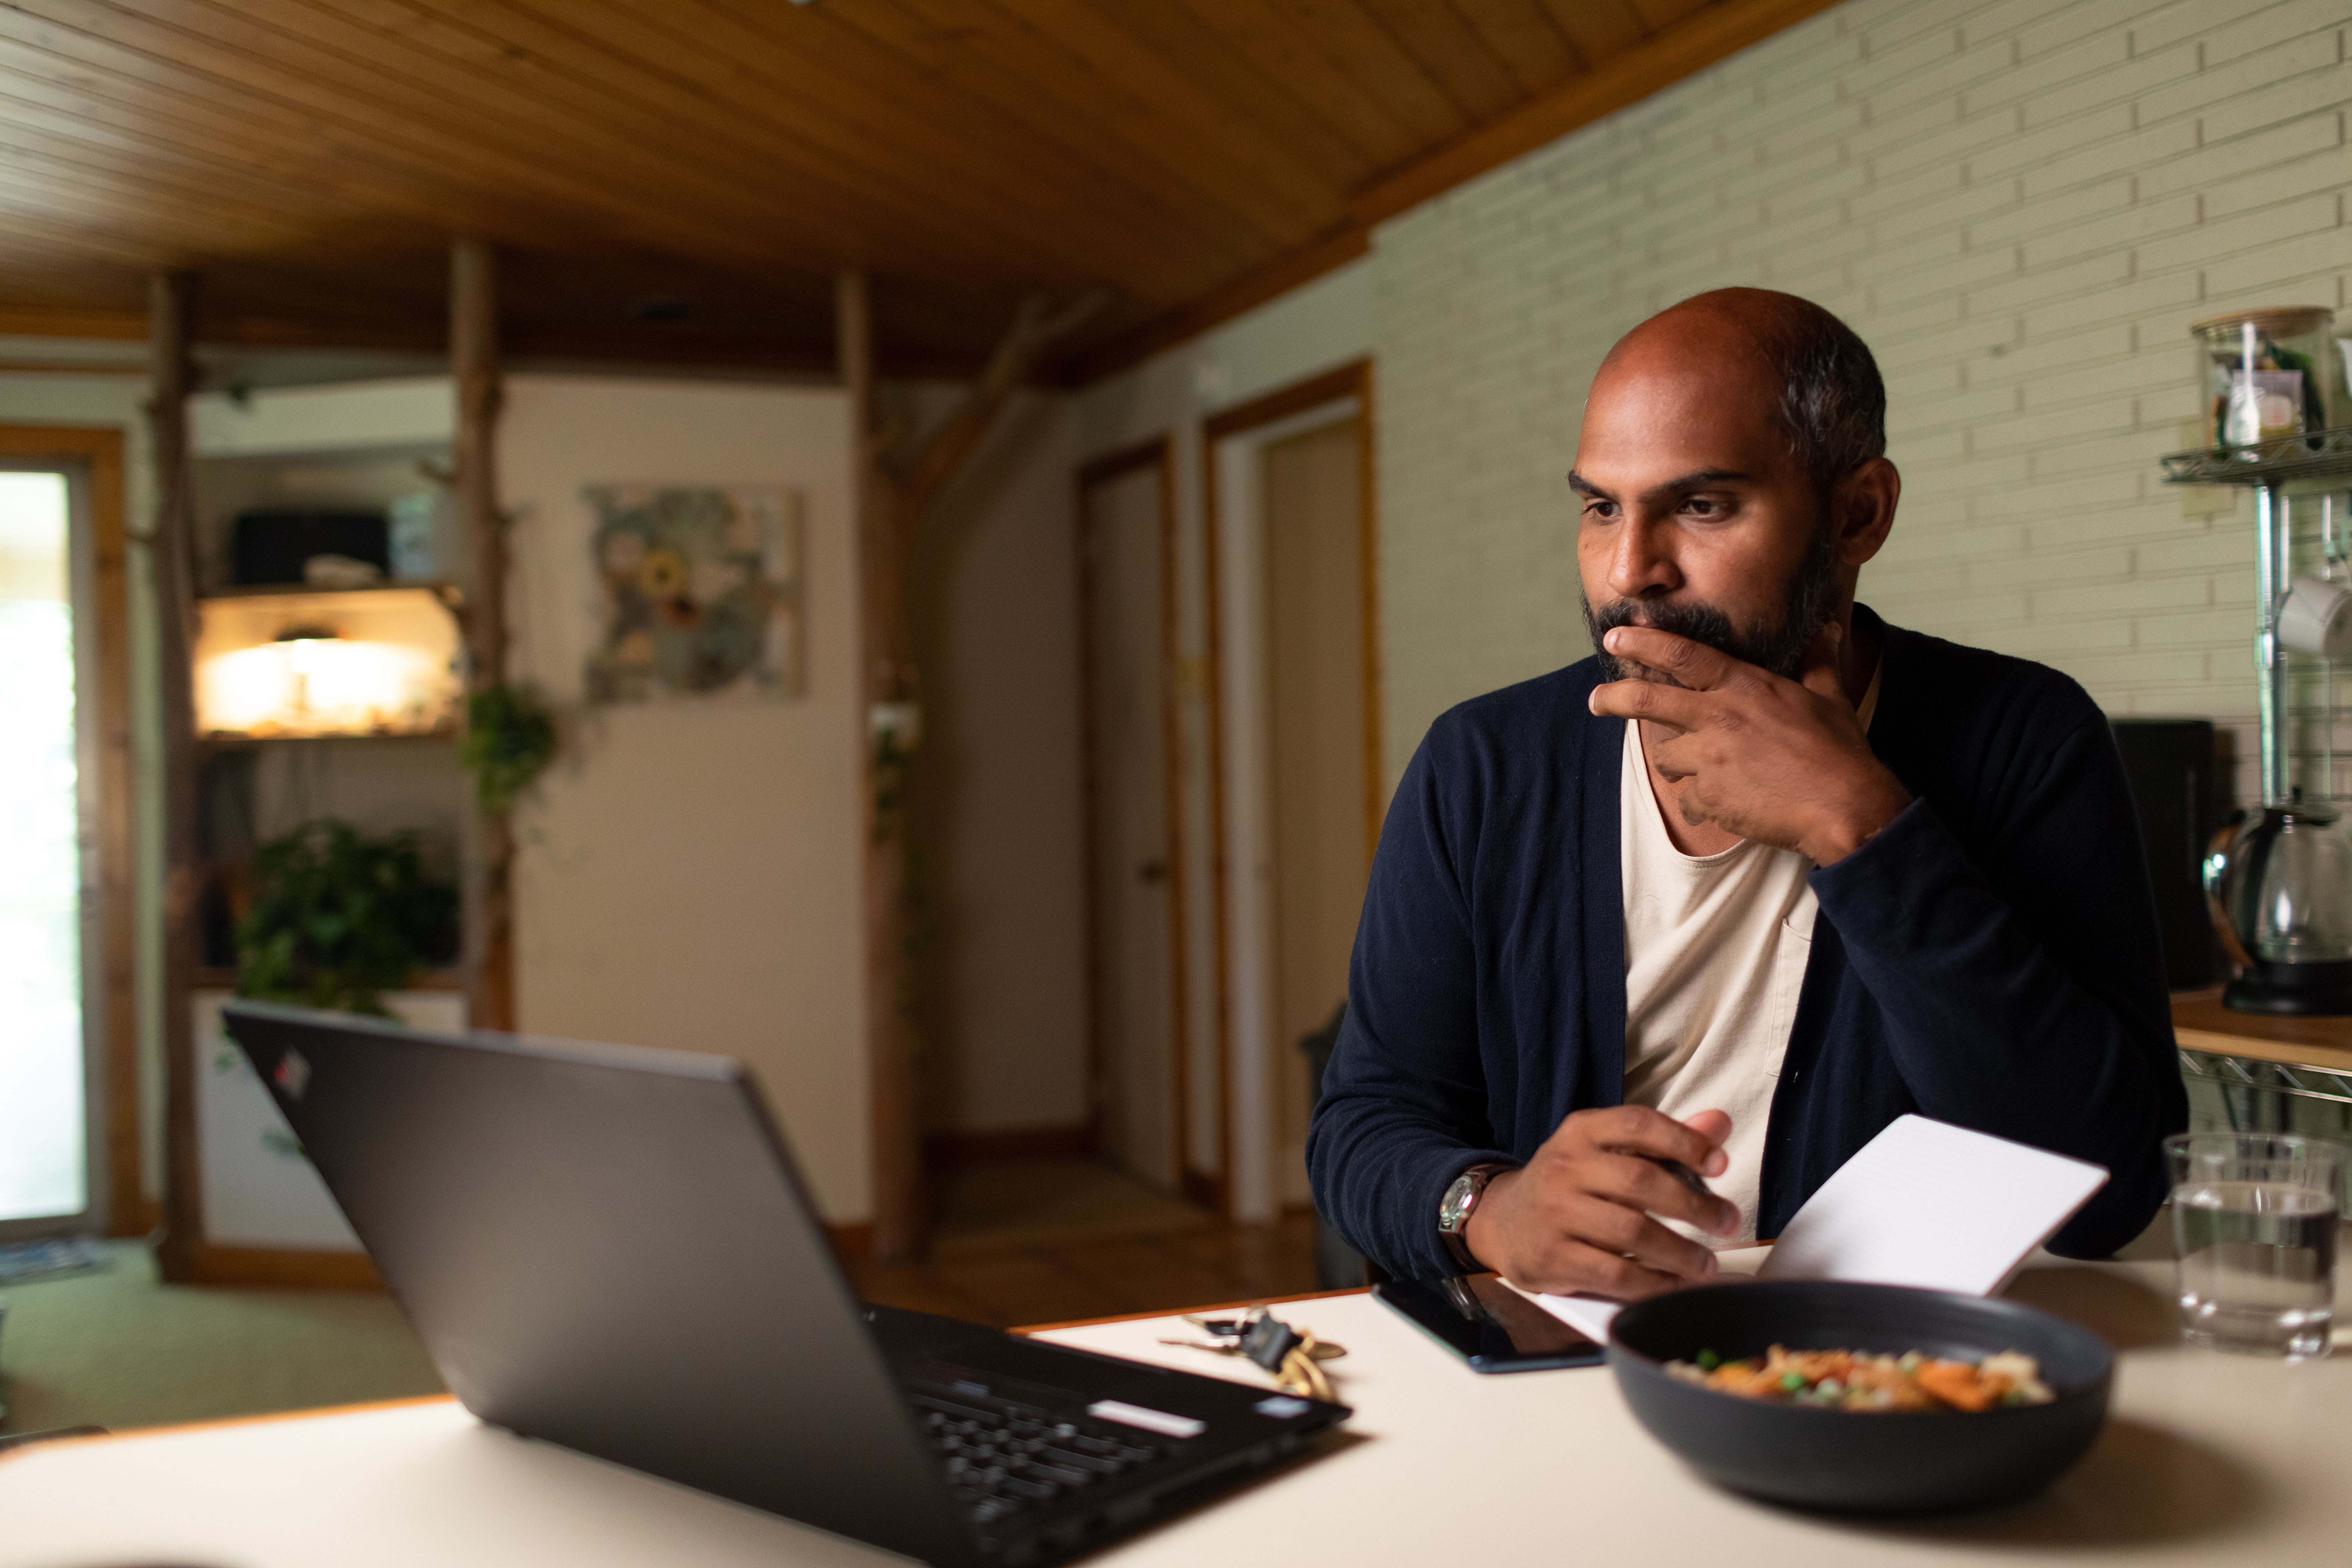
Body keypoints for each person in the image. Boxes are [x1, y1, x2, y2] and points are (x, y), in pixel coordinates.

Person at [1307, 288, 2184, 1297]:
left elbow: (2111, 1193)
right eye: (1601, 508)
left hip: (1886, 1373)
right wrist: (1493, 1209)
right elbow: (1363, 1126)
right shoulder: (1486, 765)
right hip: (1560, 1369)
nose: (1632, 569)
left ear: (1859, 514)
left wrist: (1863, 827)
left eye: (1702, 505)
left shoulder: (2023, 737)